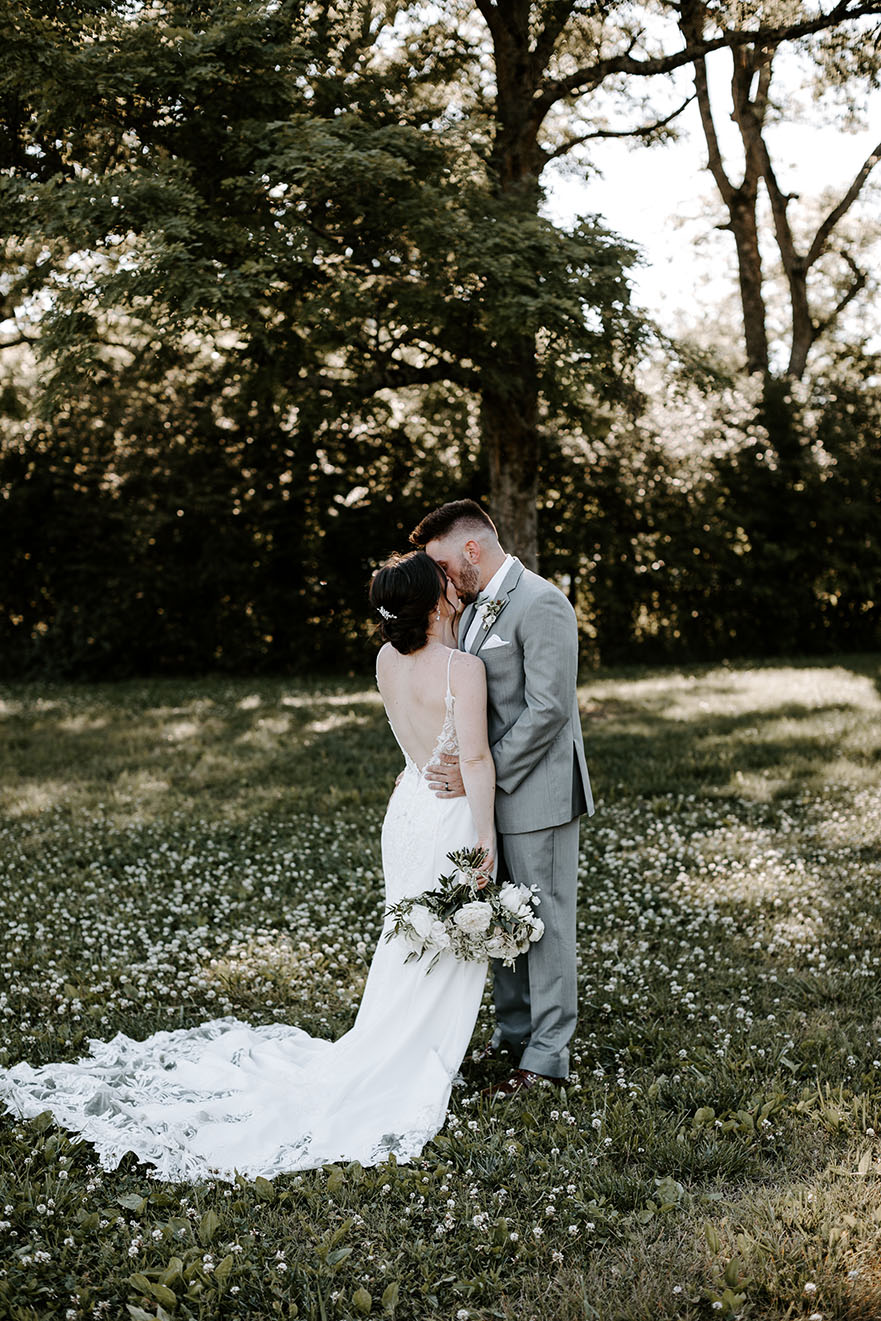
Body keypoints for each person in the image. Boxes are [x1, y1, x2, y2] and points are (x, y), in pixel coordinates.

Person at [0, 552, 495, 1181]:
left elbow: (415, 739)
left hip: (407, 810)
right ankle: (411, 1058)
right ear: (436, 599)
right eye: (447, 583)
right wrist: (487, 841)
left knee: (407, 935)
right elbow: (475, 762)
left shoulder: (385, 661)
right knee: (442, 938)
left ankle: (391, 1043)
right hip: (449, 815)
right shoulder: (464, 669)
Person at [410, 499, 594, 1097]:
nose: (438, 578)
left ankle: (545, 1059)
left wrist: (476, 774)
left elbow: (550, 710)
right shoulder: (468, 609)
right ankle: (512, 1033)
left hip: (537, 791)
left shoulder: (543, 604)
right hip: (485, 796)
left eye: (440, 562)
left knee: (546, 925)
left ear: (470, 550)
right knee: (499, 919)